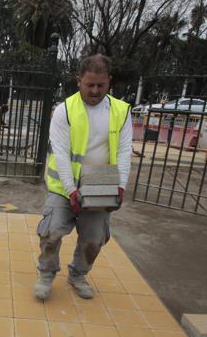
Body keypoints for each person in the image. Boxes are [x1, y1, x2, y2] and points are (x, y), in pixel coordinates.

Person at [34, 54, 132, 301]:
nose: (96, 90)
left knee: (94, 238)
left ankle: (78, 275)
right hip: (63, 185)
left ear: (109, 81)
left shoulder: (120, 111)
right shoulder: (64, 110)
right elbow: (62, 153)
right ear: (79, 81)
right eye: (90, 85)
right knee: (51, 231)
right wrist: (71, 190)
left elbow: (124, 151)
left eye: (101, 85)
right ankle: (46, 274)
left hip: (101, 181)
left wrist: (120, 185)